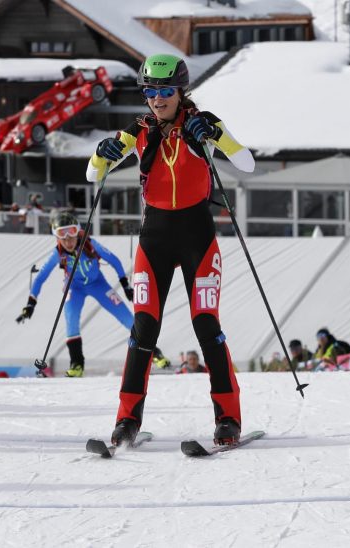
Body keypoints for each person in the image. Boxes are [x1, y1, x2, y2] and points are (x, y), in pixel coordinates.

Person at [86, 53, 254, 447]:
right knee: (144, 327)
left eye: (165, 91)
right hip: (154, 240)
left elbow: (245, 164)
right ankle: (126, 422)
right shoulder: (139, 130)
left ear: (181, 92)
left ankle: (228, 419)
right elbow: (93, 175)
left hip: (199, 239)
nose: (157, 99)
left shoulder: (202, 123)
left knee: (206, 324)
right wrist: (102, 152)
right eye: (150, 91)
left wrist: (215, 135)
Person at [16, 210, 169, 377]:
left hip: (98, 284)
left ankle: (155, 353)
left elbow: (114, 261)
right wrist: (31, 303)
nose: (68, 241)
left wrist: (125, 285)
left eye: (71, 235)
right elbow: (40, 279)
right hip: (74, 288)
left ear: (78, 232)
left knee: (127, 317)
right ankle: (77, 365)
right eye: (63, 237)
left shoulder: (90, 244)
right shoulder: (57, 253)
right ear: (57, 237)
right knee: (71, 321)